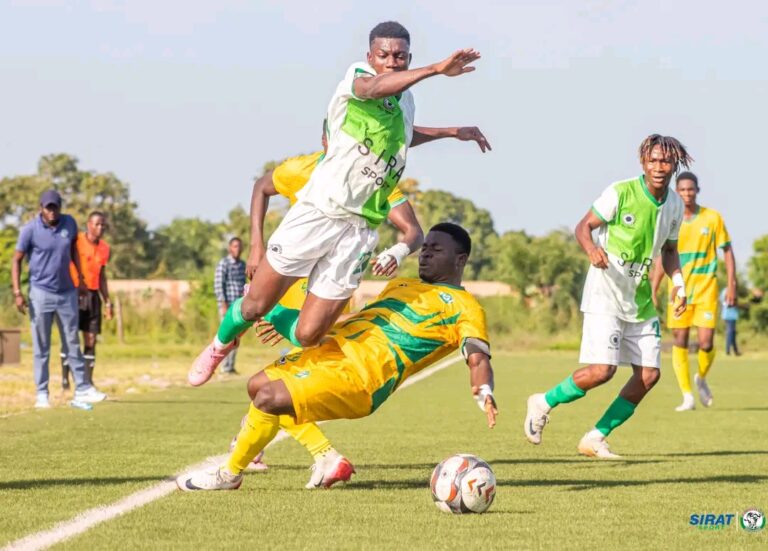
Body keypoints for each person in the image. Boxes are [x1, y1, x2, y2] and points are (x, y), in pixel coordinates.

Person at [188, 20, 491, 385]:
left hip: (359, 231)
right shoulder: (358, 78)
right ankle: (219, 345)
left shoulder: (407, 99)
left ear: (409, 58)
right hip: (320, 212)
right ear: (370, 57)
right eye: (384, 55)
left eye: (399, 56)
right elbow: (374, 88)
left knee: (308, 335)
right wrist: (437, 69)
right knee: (253, 305)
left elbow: (405, 134)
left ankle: (275, 316)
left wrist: (452, 132)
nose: (392, 62)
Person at [177, 223, 498, 491]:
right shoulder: (401, 284)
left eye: (436, 250)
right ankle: (325, 457)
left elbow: (478, 357)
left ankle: (229, 474)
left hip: (361, 377)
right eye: (424, 247)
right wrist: (304, 325)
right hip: (331, 351)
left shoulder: (465, 307)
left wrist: (483, 389)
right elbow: (358, 319)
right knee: (257, 385)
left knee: (269, 398)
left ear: (460, 259)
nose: (425, 254)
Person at [524, 135, 690, 459]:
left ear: (675, 165)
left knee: (649, 375)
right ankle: (542, 402)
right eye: (653, 160)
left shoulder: (675, 205)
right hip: (605, 295)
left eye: (665, 161)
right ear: (643, 162)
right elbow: (583, 227)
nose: (659, 167)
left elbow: (670, 250)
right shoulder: (621, 192)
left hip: (639, 300)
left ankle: (596, 437)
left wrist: (680, 285)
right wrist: (591, 249)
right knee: (602, 371)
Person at [11, 190, 107, 408]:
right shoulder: (30, 230)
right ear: (41, 208)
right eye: (48, 208)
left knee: (72, 341)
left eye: (55, 207)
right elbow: (16, 260)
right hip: (40, 293)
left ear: (60, 207)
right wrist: (17, 292)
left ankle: (82, 388)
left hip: (67, 292)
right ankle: (42, 394)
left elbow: (73, 251)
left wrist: (80, 279)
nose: (52, 212)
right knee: (42, 346)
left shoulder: (69, 223)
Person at [650, 172, 737, 411]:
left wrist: (732, 284)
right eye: (682, 190)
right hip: (679, 291)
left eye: (690, 189)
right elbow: (663, 257)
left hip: (706, 289)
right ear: (676, 192)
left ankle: (701, 377)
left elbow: (727, 251)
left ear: (697, 190)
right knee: (680, 339)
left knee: (706, 343)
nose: (687, 194)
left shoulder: (712, 218)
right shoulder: (670, 219)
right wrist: (654, 288)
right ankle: (687, 396)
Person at [59, 211, 112, 389]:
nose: (100, 228)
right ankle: (65, 379)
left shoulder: (105, 248)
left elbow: (102, 276)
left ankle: (88, 380)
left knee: (91, 339)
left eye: (103, 225)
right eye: (97, 224)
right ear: (89, 225)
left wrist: (107, 300)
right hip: (74, 292)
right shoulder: (77, 241)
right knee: (70, 336)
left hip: (93, 295)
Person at [213, 237, 247, 375]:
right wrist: (223, 304)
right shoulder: (224, 264)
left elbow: (244, 285)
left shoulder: (242, 265)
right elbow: (218, 284)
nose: (237, 249)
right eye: (234, 246)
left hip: (238, 306)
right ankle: (222, 365)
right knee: (226, 336)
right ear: (230, 248)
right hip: (226, 305)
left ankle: (230, 367)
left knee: (236, 336)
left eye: (239, 246)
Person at [720, 287, 740, 356]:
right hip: (730, 315)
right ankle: (728, 350)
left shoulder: (724, 291)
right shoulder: (729, 291)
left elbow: (722, 303)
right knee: (730, 333)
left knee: (732, 333)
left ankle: (735, 350)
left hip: (728, 315)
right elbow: (730, 303)